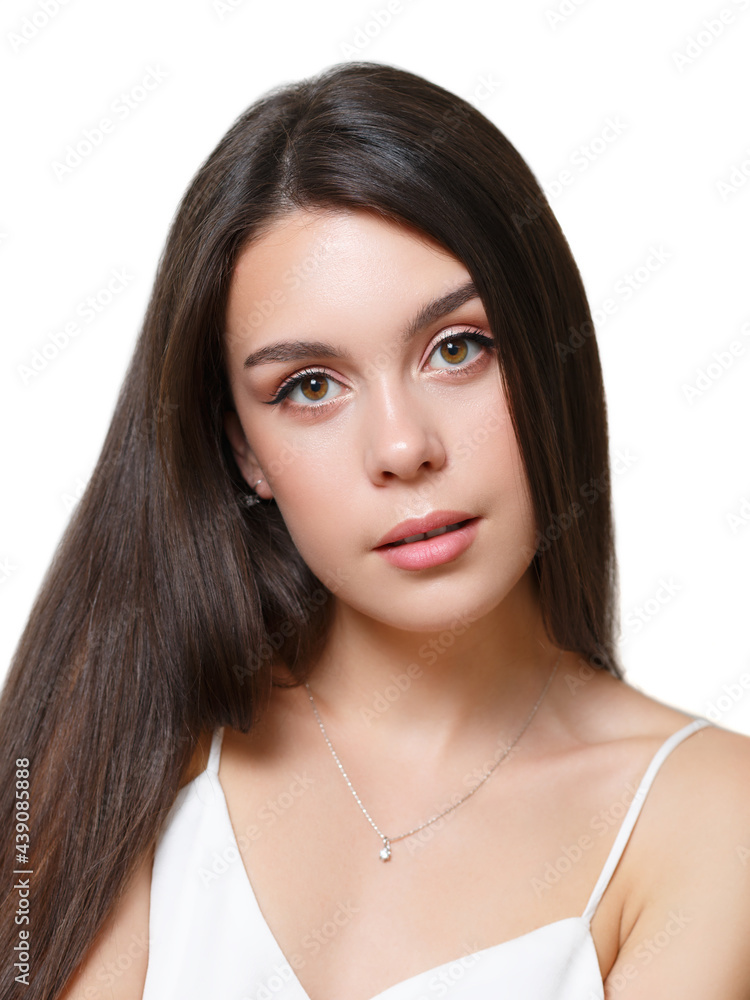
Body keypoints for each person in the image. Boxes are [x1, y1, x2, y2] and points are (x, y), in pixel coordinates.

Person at [2, 61, 748, 1000]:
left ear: (548, 352)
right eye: (310, 386)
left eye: (457, 348)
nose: (402, 447)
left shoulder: (711, 811)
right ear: (245, 453)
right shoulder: (129, 738)